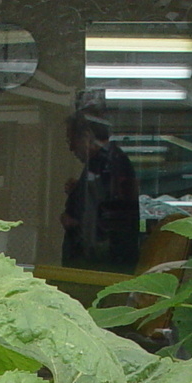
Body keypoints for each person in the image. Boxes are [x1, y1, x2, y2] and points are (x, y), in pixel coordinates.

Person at [61, 114, 141, 272]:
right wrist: (79, 190)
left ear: (87, 136)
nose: (71, 148)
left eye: (72, 141)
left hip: (100, 265)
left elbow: (112, 216)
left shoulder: (108, 162)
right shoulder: (103, 162)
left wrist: (75, 221)